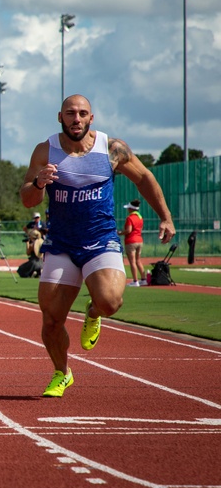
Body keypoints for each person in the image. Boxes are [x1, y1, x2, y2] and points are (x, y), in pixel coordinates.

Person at [21, 94, 174, 398]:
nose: (75, 119)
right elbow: (27, 199)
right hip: (62, 243)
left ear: (91, 118)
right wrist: (38, 182)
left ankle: (93, 312)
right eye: (69, 114)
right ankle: (62, 373)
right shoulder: (45, 150)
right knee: (51, 318)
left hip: (100, 239)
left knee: (110, 302)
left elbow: (144, 178)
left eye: (82, 114)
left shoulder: (112, 148)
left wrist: (165, 217)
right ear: (60, 117)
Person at [120, 199, 145, 286]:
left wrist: (120, 233)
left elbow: (128, 230)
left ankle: (135, 281)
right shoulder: (140, 217)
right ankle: (143, 279)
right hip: (139, 240)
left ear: (131, 209)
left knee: (132, 262)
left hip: (131, 241)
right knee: (138, 260)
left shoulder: (130, 218)